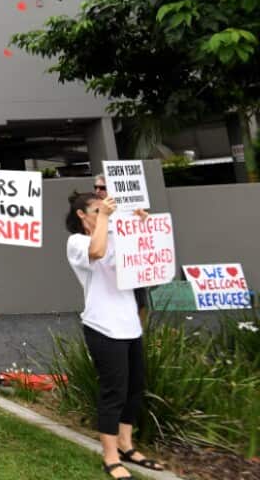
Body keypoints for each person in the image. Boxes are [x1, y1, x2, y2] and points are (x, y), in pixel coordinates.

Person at [65, 191, 167, 479]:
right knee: (114, 391)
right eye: (96, 211)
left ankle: (126, 443)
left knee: (134, 388)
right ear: (82, 216)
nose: (103, 214)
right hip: (103, 326)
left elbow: (147, 261)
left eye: (105, 210)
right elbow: (96, 253)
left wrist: (143, 228)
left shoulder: (117, 236)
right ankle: (110, 455)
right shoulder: (78, 242)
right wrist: (107, 220)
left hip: (130, 325)